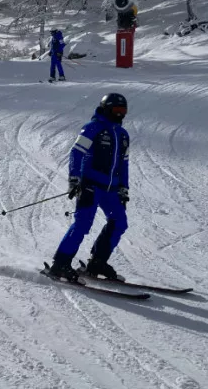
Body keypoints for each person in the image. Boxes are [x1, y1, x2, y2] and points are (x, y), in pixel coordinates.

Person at [46, 93, 130, 282]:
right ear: (107, 108)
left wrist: (124, 188)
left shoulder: (123, 135)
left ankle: (98, 262)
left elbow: (124, 164)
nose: (120, 115)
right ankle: (60, 264)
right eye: (116, 110)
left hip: (112, 189)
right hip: (91, 186)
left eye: (123, 111)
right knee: (83, 224)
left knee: (119, 223)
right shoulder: (93, 128)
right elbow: (77, 152)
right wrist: (75, 179)